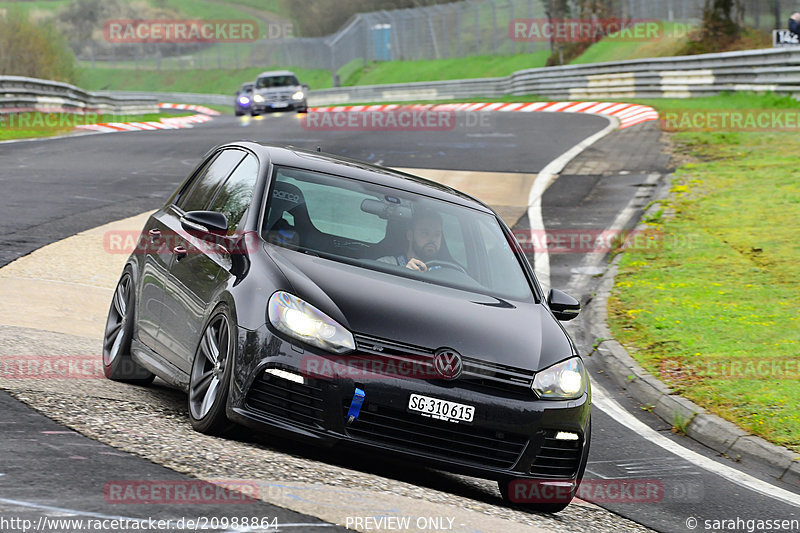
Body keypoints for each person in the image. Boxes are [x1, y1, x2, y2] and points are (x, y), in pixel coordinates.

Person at [378, 208, 444, 272]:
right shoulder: (386, 265)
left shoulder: (445, 273)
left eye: (437, 234)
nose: (432, 239)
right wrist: (404, 273)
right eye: (425, 233)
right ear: (410, 235)